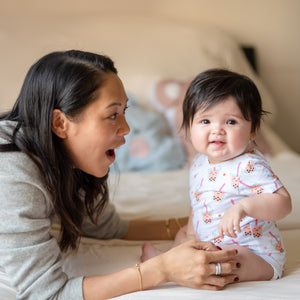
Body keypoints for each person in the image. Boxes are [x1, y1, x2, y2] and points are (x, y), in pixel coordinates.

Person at [0, 51, 240, 300]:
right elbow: (46, 295)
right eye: (113, 115)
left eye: (124, 111)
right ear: (60, 123)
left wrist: (201, 221)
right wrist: (162, 269)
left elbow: (106, 228)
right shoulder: (12, 175)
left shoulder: (67, 159)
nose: (126, 129)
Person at [141, 69, 292, 282]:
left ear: (252, 130)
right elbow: (199, 203)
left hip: (253, 253)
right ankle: (168, 260)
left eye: (230, 122)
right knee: (183, 235)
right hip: (209, 240)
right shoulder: (199, 162)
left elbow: (283, 203)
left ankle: (176, 268)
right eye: (205, 121)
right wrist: (192, 234)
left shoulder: (250, 165)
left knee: (225, 260)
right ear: (189, 126)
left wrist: (244, 207)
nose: (217, 130)